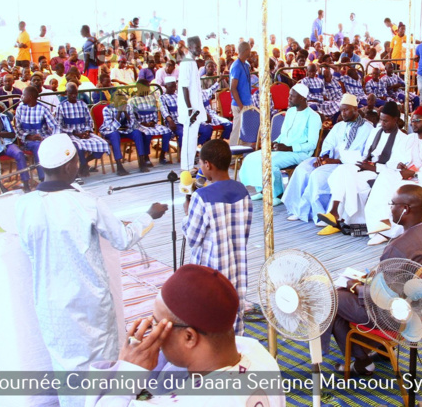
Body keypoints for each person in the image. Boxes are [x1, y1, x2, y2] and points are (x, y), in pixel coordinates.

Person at [16, 134, 167, 377]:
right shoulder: (85, 202)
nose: (80, 164)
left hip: (50, 303)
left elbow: (29, 248)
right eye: (78, 160)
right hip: (88, 301)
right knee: (101, 366)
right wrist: (149, 215)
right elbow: (123, 239)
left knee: (65, 367)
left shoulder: (24, 205)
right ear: (68, 166)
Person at [88, 265, 284, 407]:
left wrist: (126, 372)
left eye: (158, 325)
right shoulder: (258, 353)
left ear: (189, 337)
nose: (153, 335)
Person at [320, 185, 422, 376]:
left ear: (405, 209)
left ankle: (363, 362)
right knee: (343, 296)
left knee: (332, 298)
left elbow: (379, 297)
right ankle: (381, 352)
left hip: (394, 315)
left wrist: (354, 285)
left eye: (393, 204)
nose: (390, 209)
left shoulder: (398, 248)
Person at [182, 140, 252, 335]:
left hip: (209, 269)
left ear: (208, 165)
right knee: (231, 310)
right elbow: (244, 232)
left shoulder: (201, 197)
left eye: (201, 162)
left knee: (209, 315)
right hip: (236, 266)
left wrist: (187, 214)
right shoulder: (243, 191)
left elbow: (193, 238)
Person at [363, 106, 422, 245]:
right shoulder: (408, 139)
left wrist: (415, 174)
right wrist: (400, 166)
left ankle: (393, 232)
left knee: (405, 192)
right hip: (405, 177)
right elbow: (393, 161)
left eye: (417, 120)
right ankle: (380, 225)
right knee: (384, 178)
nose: (414, 124)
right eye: (412, 121)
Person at [283, 93, 372, 223]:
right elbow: (328, 144)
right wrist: (323, 157)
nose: (343, 114)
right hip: (330, 159)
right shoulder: (339, 126)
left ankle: (319, 215)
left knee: (317, 175)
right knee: (302, 168)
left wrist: (333, 161)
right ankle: (297, 209)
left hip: (346, 164)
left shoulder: (366, 128)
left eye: (346, 110)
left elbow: (361, 154)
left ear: (355, 109)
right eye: (341, 110)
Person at [320, 101, 406, 235]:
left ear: (395, 120)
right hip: (366, 166)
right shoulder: (376, 131)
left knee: (347, 179)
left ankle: (338, 216)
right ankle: (334, 213)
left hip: (380, 173)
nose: (382, 124)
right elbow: (366, 153)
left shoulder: (402, 139)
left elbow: (393, 168)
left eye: (386, 121)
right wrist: (361, 162)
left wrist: (372, 167)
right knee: (342, 170)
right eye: (381, 120)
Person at [239, 84, 322, 204]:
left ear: (302, 98)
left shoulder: (313, 117)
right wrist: (276, 143)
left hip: (300, 153)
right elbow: (283, 135)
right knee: (251, 158)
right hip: (283, 149)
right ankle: (263, 190)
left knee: (269, 162)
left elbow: (312, 145)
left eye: (292, 96)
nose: (289, 98)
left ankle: (278, 194)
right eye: (289, 95)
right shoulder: (290, 112)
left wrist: (289, 148)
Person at [56, 82, 110, 179]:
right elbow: (59, 126)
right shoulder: (61, 106)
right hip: (71, 134)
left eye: (75, 93)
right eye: (71, 93)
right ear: (66, 93)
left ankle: (84, 162)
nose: (73, 95)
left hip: (84, 133)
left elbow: (89, 120)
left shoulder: (82, 104)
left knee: (103, 144)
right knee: (77, 146)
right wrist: (75, 132)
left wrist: (87, 131)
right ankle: (83, 166)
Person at [14, 86, 57, 181]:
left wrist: (50, 139)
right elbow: (17, 128)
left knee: (45, 145)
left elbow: (55, 126)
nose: (21, 97)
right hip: (26, 141)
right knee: (38, 146)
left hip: (43, 139)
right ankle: (43, 178)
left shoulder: (43, 109)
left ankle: (54, 174)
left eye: (23, 95)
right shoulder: (20, 108)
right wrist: (29, 136)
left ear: (30, 97)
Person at [101, 91, 150, 175]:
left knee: (137, 133)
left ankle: (142, 161)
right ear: (114, 101)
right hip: (110, 130)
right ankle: (119, 166)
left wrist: (125, 112)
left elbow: (134, 124)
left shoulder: (128, 107)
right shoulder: (106, 109)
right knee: (115, 135)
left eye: (123, 101)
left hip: (125, 129)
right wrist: (119, 112)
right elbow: (111, 127)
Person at [128, 79, 171, 167]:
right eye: (146, 87)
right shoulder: (132, 101)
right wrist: (143, 124)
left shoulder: (151, 98)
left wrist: (153, 122)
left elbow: (155, 113)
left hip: (151, 123)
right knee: (147, 133)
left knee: (167, 131)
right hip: (141, 125)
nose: (149, 89)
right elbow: (133, 118)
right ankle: (146, 157)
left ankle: (162, 155)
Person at [177, 36, 205, 172]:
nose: (199, 50)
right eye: (197, 47)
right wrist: (189, 108)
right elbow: (184, 86)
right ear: (189, 48)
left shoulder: (193, 62)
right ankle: (186, 167)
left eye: (200, 46)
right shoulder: (186, 62)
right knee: (188, 136)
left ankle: (189, 165)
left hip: (195, 106)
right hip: (190, 108)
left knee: (193, 136)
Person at [227, 41, 252, 145]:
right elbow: (233, 88)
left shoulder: (245, 65)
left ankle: (244, 155)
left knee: (247, 132)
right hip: (239, 105)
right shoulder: (236, 66)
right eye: (249, 50)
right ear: (246, 51)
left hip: (247, 103)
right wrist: (241, 106)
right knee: (237, 132)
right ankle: (232, 155)